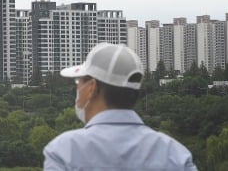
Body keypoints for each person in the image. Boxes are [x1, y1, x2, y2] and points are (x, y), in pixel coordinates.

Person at [43, 43, 197, 171]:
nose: (77, 88)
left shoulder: (65, 151)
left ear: (92, 87)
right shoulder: (175, 155)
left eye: (79, 82)